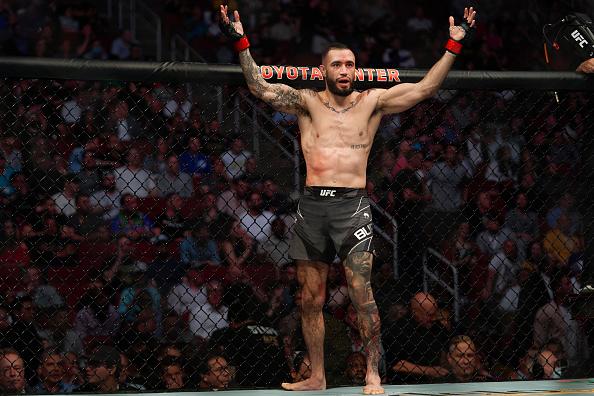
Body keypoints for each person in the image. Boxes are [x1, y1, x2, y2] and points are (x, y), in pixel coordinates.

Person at [219, 4, 477, 394]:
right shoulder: (305, 102)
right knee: (310, 298)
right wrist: (240, 38)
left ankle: (374, 372)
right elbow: (259, 86)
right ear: (324, 70)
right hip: (311, 207)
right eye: (337, 64)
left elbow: (426, 88)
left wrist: (453, 45)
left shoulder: (371, 102)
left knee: (361, 293)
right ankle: (317, 375)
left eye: (350, 64)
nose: (344, 71)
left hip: (352, 206)